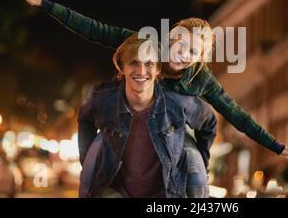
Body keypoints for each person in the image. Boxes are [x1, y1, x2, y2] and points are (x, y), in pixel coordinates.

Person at [10, 0, 288, 159]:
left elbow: (236, 114)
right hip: (129, 116)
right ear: (169, 37)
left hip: (171, 133)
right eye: (179, 44)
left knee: (193, 161)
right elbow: (94, 29)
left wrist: (277, 146)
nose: (181, 53)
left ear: (199, 59)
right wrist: (44, 3)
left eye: (192, 51)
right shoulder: (146, 44)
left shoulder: (201, 79)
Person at [78, 34, 217, 198]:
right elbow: (85, 120)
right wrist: (88, 159)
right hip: (115, 192)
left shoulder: (178, 103)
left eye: (149, 63)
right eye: (133, 63)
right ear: (122, 67)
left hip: (166, 194)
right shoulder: (102, 98)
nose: (141, 71)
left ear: (158, 68)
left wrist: (200, 161)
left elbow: (209, 122)